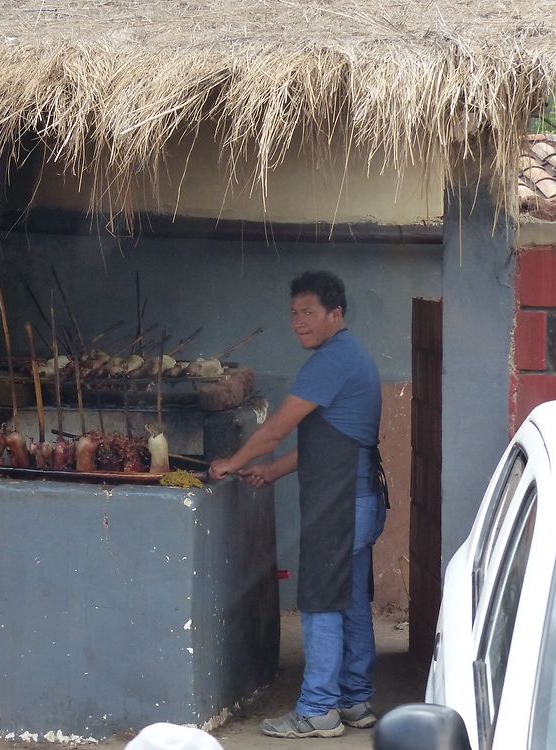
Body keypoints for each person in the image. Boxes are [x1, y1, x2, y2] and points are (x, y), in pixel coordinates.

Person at [209, 270, 386, 740]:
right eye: (294, 313)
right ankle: (354, 700)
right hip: (359, 500)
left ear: (336, 314)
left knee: (319, 603)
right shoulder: (352, 358)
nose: (299, 322)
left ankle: (318, 710)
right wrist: (270, 471)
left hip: (339, 504)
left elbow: (276, 428)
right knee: (349, 602)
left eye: (309, 313)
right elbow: (326, 442)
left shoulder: (330, 362)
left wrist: (234, 461)